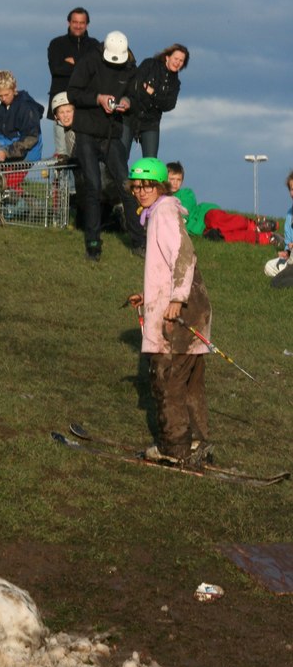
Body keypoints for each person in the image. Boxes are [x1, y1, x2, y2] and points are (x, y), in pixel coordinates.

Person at [125, 158, 211, 466]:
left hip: (181, 311)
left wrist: (176, 299)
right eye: (136, 187)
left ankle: (175, 449)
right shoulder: (160, 213)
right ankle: (197, 441)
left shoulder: (163, 213)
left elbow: (184, 256)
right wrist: (150, 295)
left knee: (168, 380)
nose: (141, 191)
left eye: (148, 186)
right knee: (189, 380)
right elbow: (165, 265)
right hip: (190, 306)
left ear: (160, 186)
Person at [67, 30, 145, 260]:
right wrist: (98, 98)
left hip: (112, 133)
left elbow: (136, 97)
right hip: (87, 132)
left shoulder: (130, 67)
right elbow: (73, 93)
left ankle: (139, 242)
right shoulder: (89, 61)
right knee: (93, 186)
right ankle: (93, 244)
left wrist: (127, 102)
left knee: (126, 185)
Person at [167, 161, 281, 246]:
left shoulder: (186, 193)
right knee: (224, 236)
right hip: (201, 230)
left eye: (178, 180)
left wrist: (181, 217)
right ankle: (265, 238)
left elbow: (186, 206)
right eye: (171, 179)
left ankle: (254, 225)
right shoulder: (163, 201)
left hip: (204, 215)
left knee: (219, 220)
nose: (175, 183)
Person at [46, 8, 100, 155]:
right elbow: (56, 69)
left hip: (84, 108)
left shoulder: (95, 45)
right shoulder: (56, 44)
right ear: (69, 22)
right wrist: (83, 65)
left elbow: (95, 72)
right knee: (62, 153)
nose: (78, 26)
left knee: (84, 152)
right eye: (75, 22)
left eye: (82, 23)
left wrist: (73, 61)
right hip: (60, 106)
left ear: (87, 24)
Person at [123, 44, 189, 158]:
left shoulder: (175, 83)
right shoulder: (149, 64)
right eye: (176, 58)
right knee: (120, 156)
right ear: (167, 57)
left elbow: (169, 105)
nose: (178, 62)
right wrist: (158, 99)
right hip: (130, 116)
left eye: (181, 61)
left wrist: (152, 92)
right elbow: (136, 88)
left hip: (151, 122)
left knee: (151, 161)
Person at [0, 70, 44, 164]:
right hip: (6, 150)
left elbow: (31, 138)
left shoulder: (26, 107)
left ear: (14, 88)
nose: (3, 99)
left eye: (6, 94)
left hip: (27, 154)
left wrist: (6, 152)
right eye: (0, 96)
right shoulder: (0, 110)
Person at [265, 170, 293, 285]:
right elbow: (288, 243)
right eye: (292, 189)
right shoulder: (289, 215)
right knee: (268, 266)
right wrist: (287, 252)